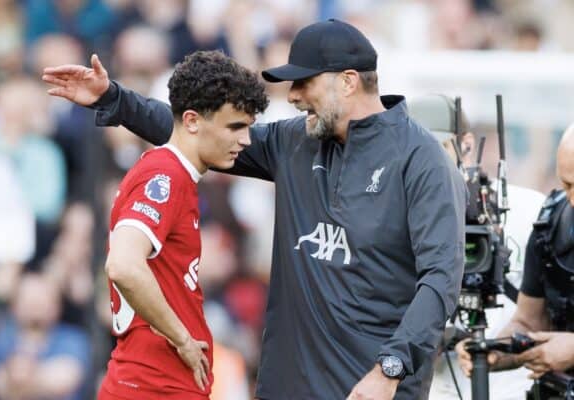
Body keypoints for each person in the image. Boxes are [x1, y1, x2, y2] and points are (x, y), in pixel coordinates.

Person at [42, 19, 467, 400]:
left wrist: (390, 369)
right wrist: (113, 98)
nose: (294, 96)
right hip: (289, 385)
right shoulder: (295, 142)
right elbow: (199, 130)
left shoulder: (421, 159)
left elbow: (441, 279)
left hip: (372, 387)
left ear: (348, 82)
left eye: (305, 83)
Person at [48, 50, 268, 400]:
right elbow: (123, 265)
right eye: (235, 126)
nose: (245, 141)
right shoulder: (164, 176)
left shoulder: (176, 176)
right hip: (152, 386)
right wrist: (182, 339)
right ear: (192, 120)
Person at [409, 94, 546, 400]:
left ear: (466, 146)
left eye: (434, 151)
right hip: (441, 388)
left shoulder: (530, 211)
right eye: (411, 155)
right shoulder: (395, 226)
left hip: (519, 387)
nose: (422, 167)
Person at [454, 124, 574, 392]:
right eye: (566, 184)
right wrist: (494, 352)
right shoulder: (551, 226)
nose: (572, 198)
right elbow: (529, 321)